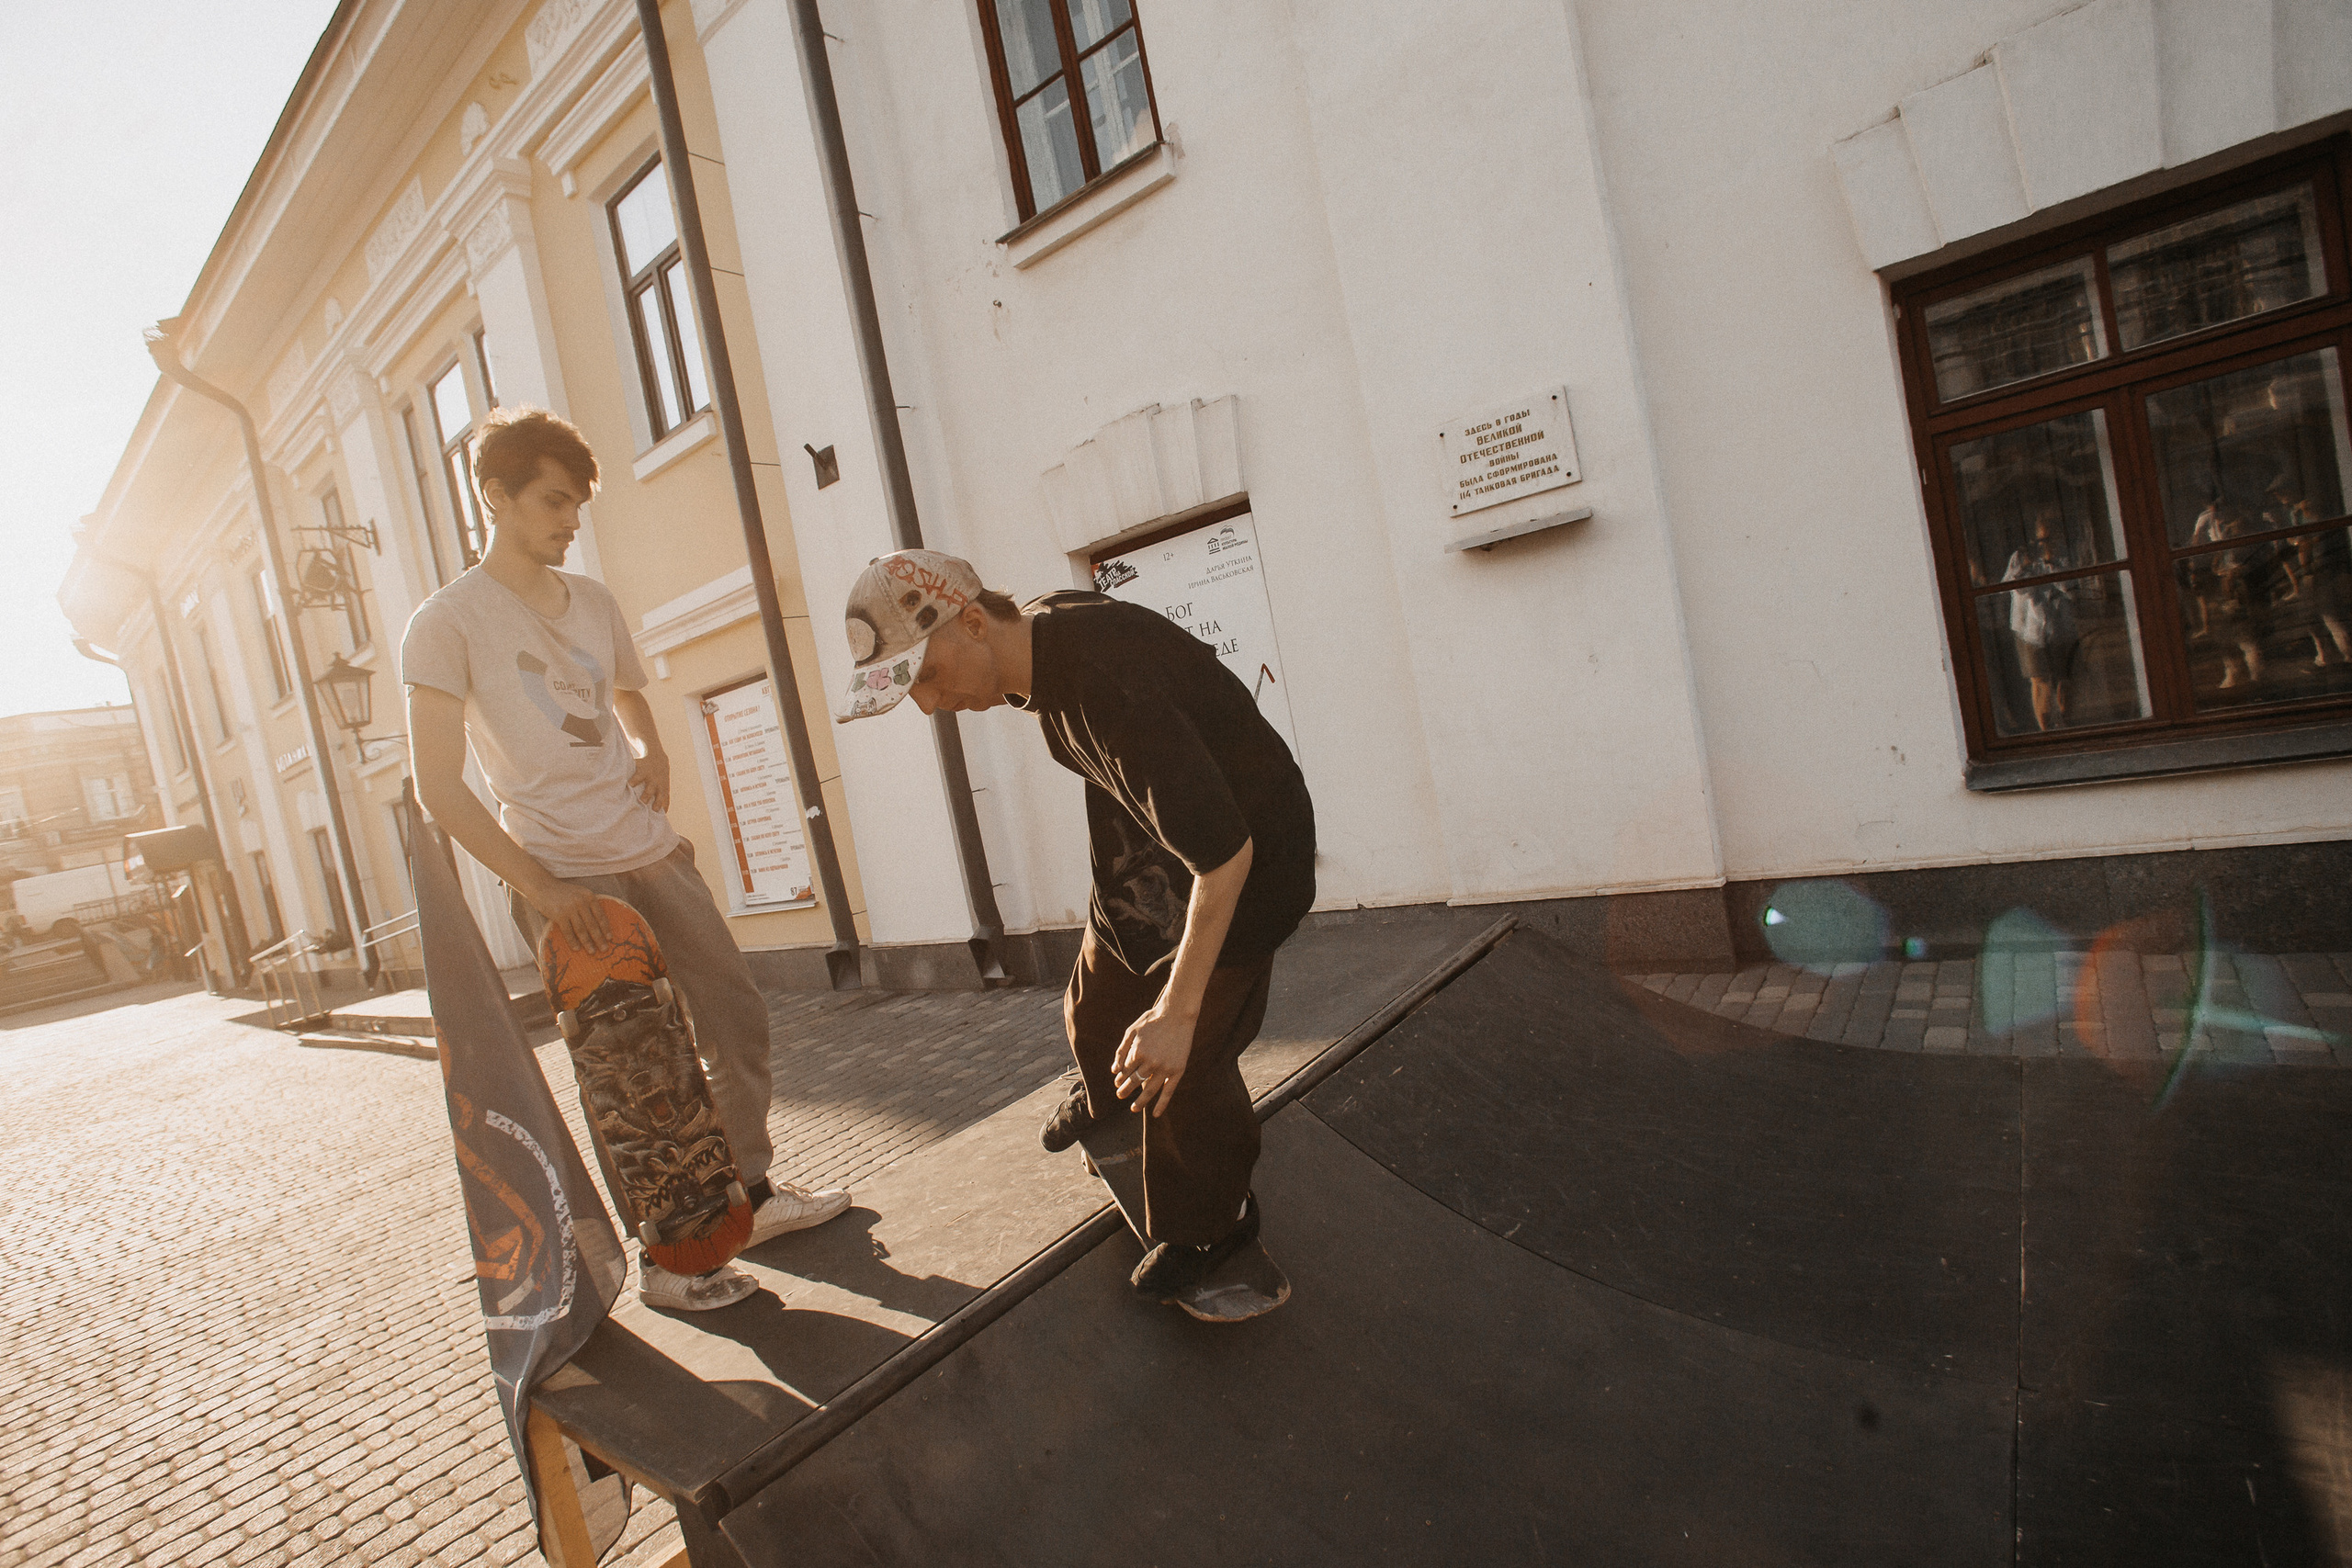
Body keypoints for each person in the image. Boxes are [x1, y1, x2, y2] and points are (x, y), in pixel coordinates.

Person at [401, 406, 848, 1314]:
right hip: (566, 873)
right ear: (494, 496)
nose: (570, 520)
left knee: (736, 1020)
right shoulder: (446, 623)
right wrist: (542, 890)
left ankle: (748, 1197)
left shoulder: (594, 603)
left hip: (650, 852)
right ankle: (669, 1260)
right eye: (552, 501)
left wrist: (653, 749)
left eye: (577, 503)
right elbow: (437, 788)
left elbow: (629, 697)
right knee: (628, 1076)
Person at [836, 550, 1315, 1306]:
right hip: (1156, 849)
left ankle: (1212, 1229)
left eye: (925, 676)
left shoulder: (1110, 687)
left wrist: (1177, 1011)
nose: (927, 706)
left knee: (1183, 1062)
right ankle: (1106, 1098)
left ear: (972, 622)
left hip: (1246, 864)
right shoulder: (1043, 634)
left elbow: (1227, 858)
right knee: (1094, 1004)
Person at [2001, 511, 2082, 731]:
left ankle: (2066, 724)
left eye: (2048, 539)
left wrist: (2051, 563)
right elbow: (2014, 588)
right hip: (2030, 630)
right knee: (2039, 681)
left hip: (2061, 626)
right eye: (2040, 540)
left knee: (2065, 677)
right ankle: (2046, 730)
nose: (2044, 545)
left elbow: (2072, 590)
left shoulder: (2064, 556)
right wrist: (2025, 568)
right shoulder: (2021, 557)